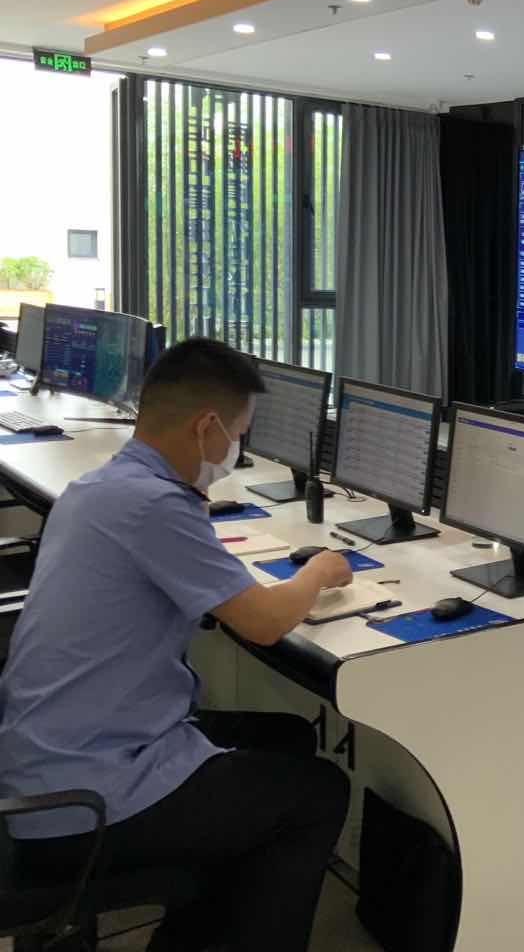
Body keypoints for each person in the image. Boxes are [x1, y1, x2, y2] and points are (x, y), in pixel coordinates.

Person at [0, 337, 354, 952]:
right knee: (318, 793)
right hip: (79, 798)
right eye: (238, 434)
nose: (236, 450)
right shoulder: (155, 506)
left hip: (44, 754)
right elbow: (266, 622)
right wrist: (319, 571)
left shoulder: (100, 488)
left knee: (287, 739)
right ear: (207, 427)